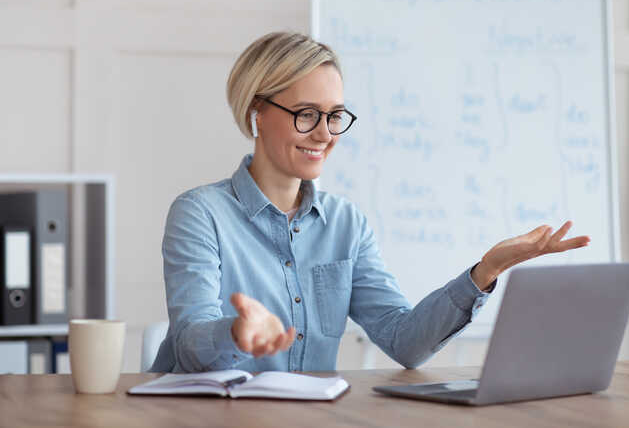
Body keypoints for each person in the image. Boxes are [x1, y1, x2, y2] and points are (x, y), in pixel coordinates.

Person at [150, 32, 590, 373]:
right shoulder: (200, 213)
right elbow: (191, 343)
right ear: (257, 113)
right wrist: (237, 334)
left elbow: (404, 341)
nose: (325, 134)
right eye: (306, 114)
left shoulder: (346, 224)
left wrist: (485, 271)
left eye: (335, 115)